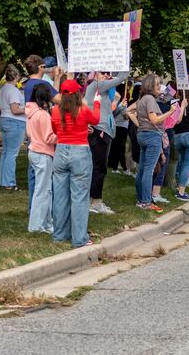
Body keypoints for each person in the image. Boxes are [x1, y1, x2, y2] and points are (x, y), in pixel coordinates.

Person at [50, 79, 100, 248]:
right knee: (79, 196)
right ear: (77, 93)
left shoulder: (55, 111)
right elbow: (95, 119)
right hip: (80, 151)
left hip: (61, 152)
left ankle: (60, 234)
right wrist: (98, 104)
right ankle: (79, 238)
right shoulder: (83, 109)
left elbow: (57, 130)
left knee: (60, 195)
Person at [84, 70, 129, 215]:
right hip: (98, 132)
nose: (106, 75)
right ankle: (95, 201)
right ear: (95, 74)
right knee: (99, 167)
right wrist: (126, 56)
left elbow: (110, 114)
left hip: (105, 131)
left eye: (107, 73)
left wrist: (118, 104)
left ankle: (92, 199)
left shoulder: (103, 93)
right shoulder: (96, 85)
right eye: (103, 73)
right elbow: (120, 77)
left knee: (99, 167)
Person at [131, 75, 177, 211]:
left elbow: (130, 111)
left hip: (142, 135)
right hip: (152, 136)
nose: (160, 86)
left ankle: (141, 199)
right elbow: (154, 120)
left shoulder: (142, 99)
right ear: (150, 85)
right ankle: (146, 202)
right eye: (157, 84)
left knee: (142, 170)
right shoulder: (150, 99)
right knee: (148, 170)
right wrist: (170, 112)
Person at [26, 83, 56, 233]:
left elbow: (31, 134)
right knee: (42, 191)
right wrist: (64, 135)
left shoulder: (31, 112)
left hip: (35, 150)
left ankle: (45, 223)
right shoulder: (43, 115)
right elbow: (49, 137)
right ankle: (36, 225)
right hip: (43, 153)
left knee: (45, 190)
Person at [0, 65, 26, 190]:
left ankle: (4, 180)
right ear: (16, 76)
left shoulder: (3, 89)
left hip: (4, 118)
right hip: (14, 121)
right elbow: (15, 109)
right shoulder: (13, 90)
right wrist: (28, 109)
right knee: (12, 154)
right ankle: (9, 182)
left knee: (6, 152)